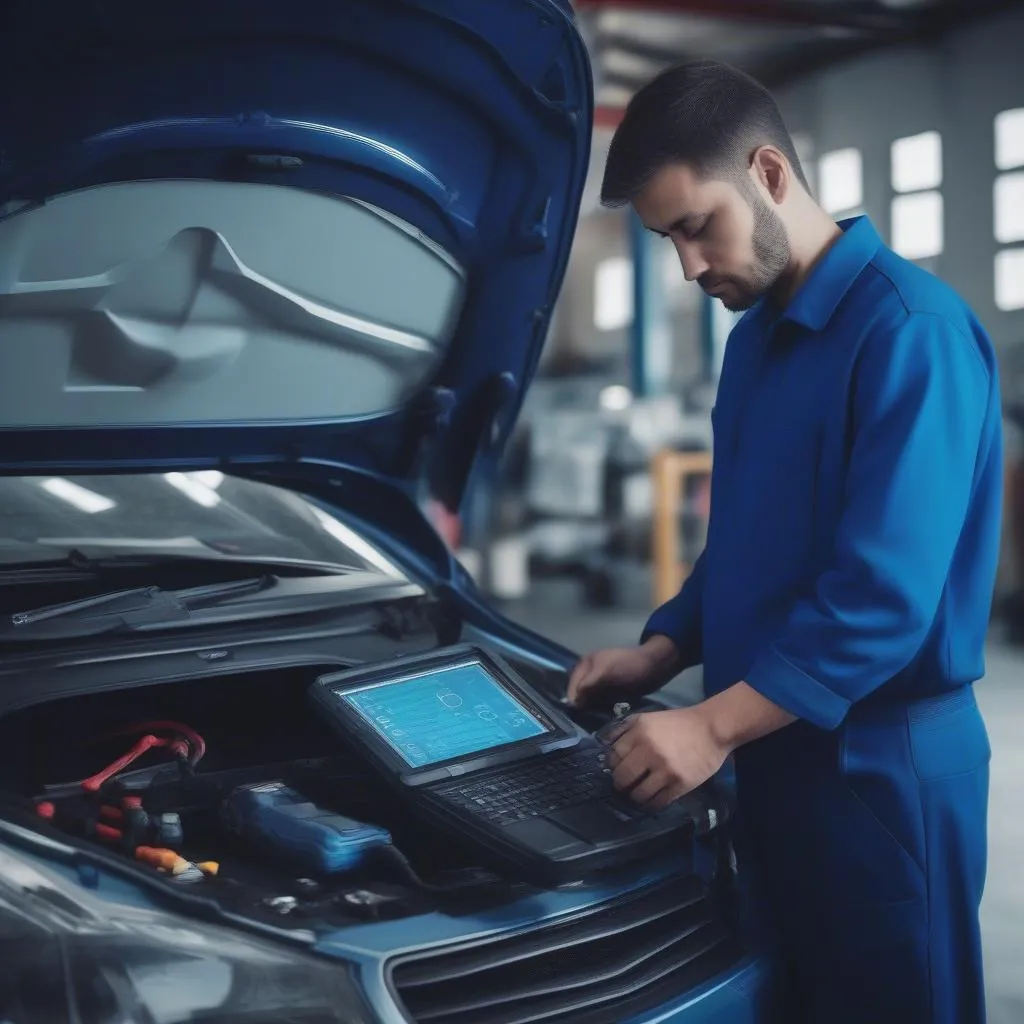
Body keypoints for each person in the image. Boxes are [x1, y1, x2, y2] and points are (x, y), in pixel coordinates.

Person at [567, 60, 1001, 1024]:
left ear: (768, 174)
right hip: (771, 752)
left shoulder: (910, 332)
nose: (686, 266)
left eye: (694, 226)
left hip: (880, 768)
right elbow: (751, 536)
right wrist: (666, 645)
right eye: (664, 238)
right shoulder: (757, 338)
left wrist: (709, 726)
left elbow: (882, 604)